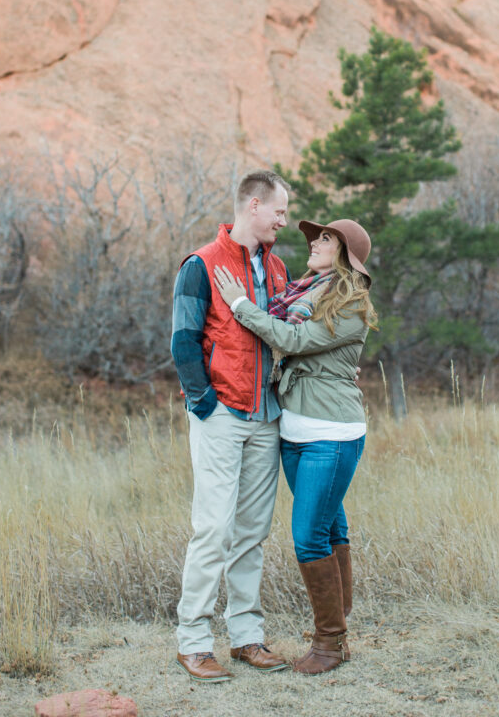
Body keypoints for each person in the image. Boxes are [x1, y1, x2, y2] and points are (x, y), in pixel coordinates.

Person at [214, 218, 377, 675]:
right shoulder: (304, 293)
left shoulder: (351, 303)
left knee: (307, 537)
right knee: (329, 530)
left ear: (345, 253)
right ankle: (339, 628)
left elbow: (292, 340)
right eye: (317, 236)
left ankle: (329, 644)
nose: (315, 242)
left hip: (332, 434)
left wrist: (240, 304)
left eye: (325, 238)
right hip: (295, 432)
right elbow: (289, 344)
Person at [171, 170, 292, 683]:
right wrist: (206, 406)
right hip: (222, 413)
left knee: (251, 534)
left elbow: (288, 334)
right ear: (255, 205)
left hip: (267, 417)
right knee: (213, 529)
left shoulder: (280, 268)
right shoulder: (201, 265)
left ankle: (245, 637)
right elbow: (183, 341)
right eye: (280, 212)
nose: (284, 221)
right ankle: (194, 642)